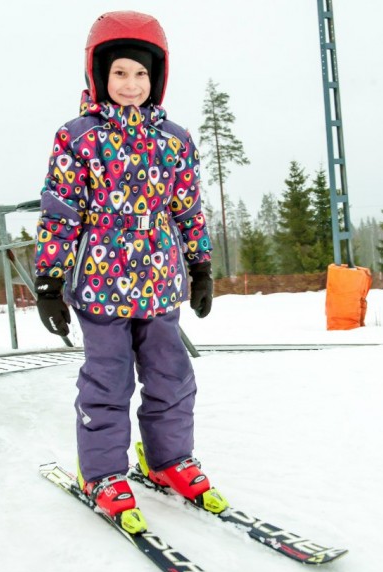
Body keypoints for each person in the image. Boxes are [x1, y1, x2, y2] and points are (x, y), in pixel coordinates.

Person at [34, 10, 224, 533]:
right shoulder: (78, 136)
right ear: (98, 74)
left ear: (157, 77)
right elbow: (60, 212)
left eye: (141, 74)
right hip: (99, 280)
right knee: (108, 378)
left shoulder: (175, 139)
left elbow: (188, 206)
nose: (131, 84)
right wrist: (49, 281)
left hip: (160, 280)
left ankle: (168, 460)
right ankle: (100, 473)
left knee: (171, 374)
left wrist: (201, 265)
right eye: (120, 73)